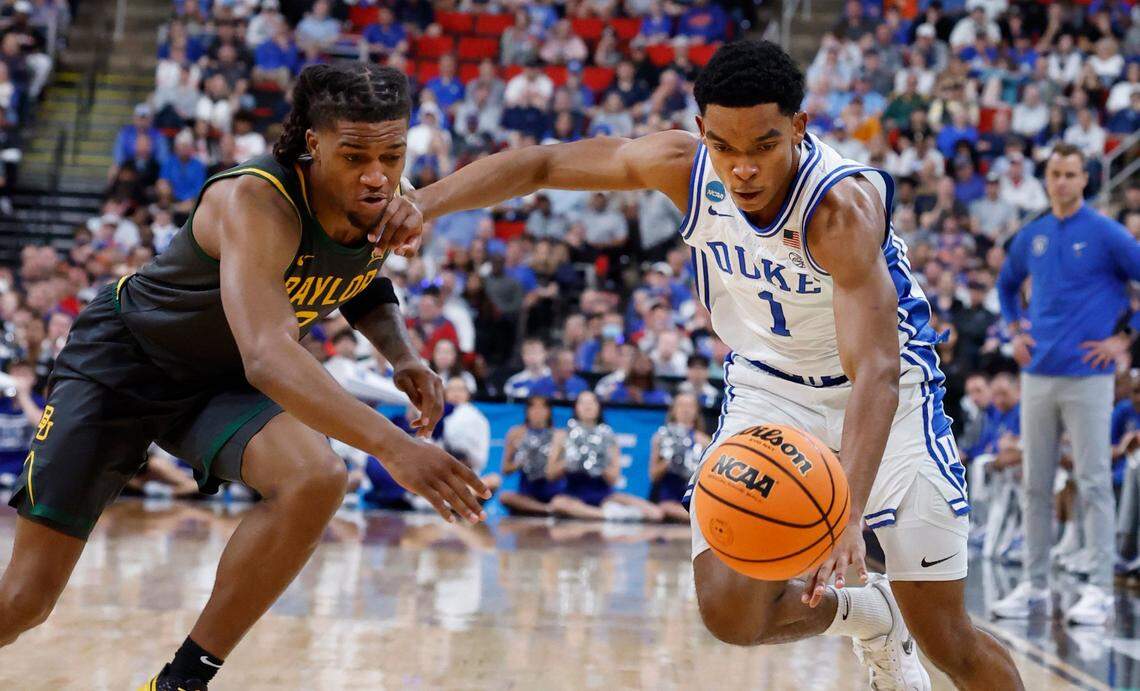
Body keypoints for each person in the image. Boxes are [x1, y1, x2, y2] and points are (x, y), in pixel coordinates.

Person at [409, 39, 1020, 691]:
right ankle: (868, 618)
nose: (744, 167)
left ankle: (904, 618)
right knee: (731, 611)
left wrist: (849, 509)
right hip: (768, 386)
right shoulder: (684, 166)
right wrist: (422, 204)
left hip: (887, 398)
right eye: (725, 147)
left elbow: (876, 370)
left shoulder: (839, 212)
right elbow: (544, 164)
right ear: (702, 133)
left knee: (946, 641)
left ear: (798, 128)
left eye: (764, 145)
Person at [0, 63, 489, 691]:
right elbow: (267, 354)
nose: (378, 173)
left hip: (218, 381)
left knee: (315, 478)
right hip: (124, 364)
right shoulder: (252, 199)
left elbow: (356, 276)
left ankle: (180, 681)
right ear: (314, 144)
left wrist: (402, 354)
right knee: (23, 603)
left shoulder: (379, 197)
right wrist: (395, 446)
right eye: (358, 154)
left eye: (393, 154)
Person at [994, 143, 1140, 627]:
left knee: (1094, 481)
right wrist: (1015, 329)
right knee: (1035, 484)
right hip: (1036, 375)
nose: (1061, 181)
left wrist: (1125, 342)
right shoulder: (1032, 236)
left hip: (1089, 378)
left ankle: (1099, 590)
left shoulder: (1106, 234)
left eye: (1070, 173)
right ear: (1046, 178)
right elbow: (1006, 285)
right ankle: (1034, 586)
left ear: (1084, 179)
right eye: (1054, 173)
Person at [547, 391, 664, 522]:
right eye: (583, 403)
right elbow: (550, 474)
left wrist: (597, 461)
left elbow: (613, 478)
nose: (588, 407)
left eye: (592, 402)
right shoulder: (562, 435)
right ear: (575, 407)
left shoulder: (608, 435)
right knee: (557, 504)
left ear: (599, 407)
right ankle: (605, 515)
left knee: (655, 513)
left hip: (604, 495)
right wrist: (572, 460)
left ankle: (604, 512)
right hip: (573, 495)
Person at [498, 395, 563, 515]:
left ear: (549, 412)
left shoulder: (559, 435)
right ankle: (546, 509)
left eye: (542, 408)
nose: (537, 412)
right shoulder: (516, 433)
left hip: (555, 493)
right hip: (527, 495)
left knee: (563, 501)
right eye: (533, 408)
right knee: (505, 497)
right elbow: (505, 469)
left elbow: (562, 470)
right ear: (527, 411)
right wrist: (521, 462)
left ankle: (553, 507)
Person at [649, 393, 708, 522]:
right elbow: (653, 476)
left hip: (694, 499)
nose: (685, 410)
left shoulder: (704, 441)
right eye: (681, 405)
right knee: (664, 509)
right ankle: (697, 518)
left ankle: (697, 517)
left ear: (696, 411)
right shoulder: (660, 437)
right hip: (668, 500)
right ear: (673, 410)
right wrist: (670, 459)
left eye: (690, 406)